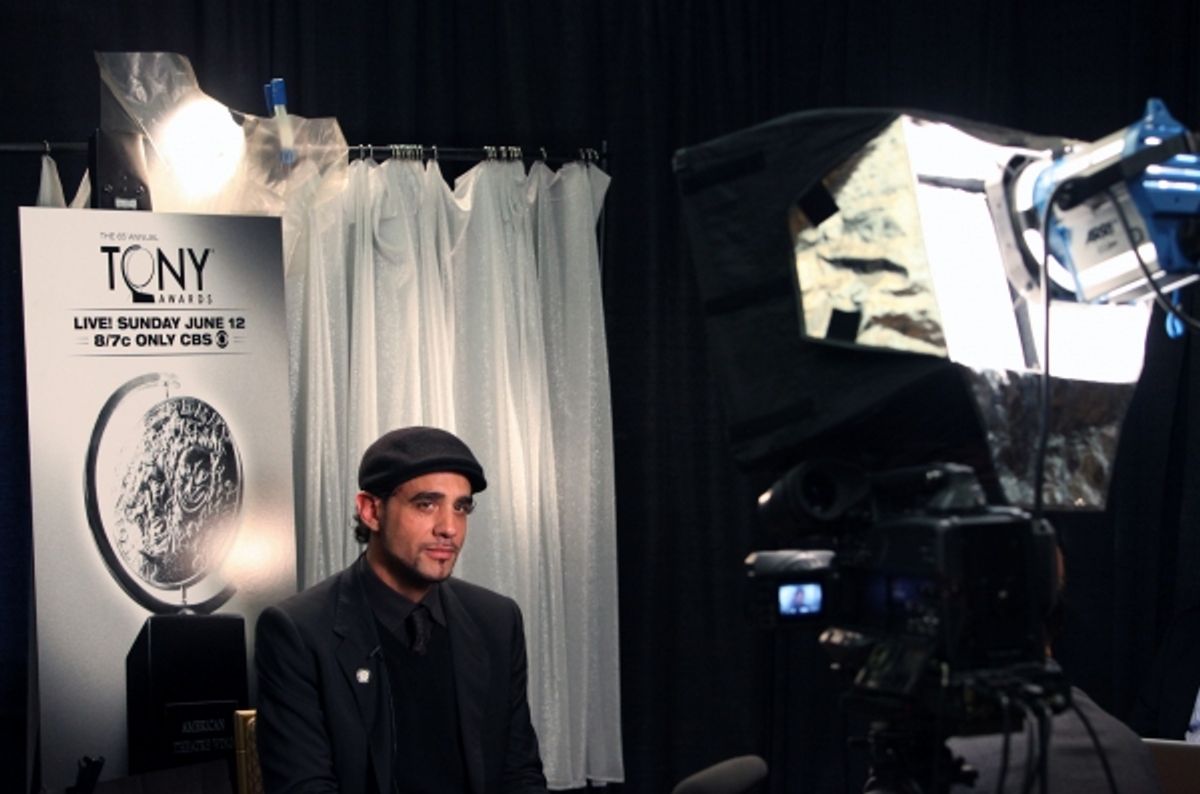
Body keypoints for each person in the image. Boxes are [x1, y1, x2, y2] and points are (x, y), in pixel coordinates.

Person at [255, 426, 549, 793]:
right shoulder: (298, 631)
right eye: (426, 504)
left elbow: (520, 774)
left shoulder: (497, 620)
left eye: (461, 507)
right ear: (371, 511)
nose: (449, 528)